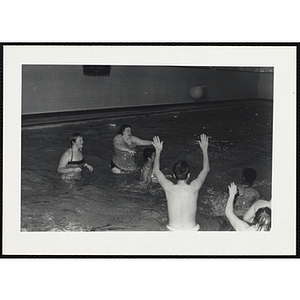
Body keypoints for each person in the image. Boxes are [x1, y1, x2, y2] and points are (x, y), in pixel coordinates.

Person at [152, 134, 210, 231]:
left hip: (173, 230)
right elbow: (206, 169)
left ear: (174, 175)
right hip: (192, 230)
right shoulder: (194, 187)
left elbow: (156, 171)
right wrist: (204, 149)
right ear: (188, 175)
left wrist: (158, 151)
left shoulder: (169, 188)